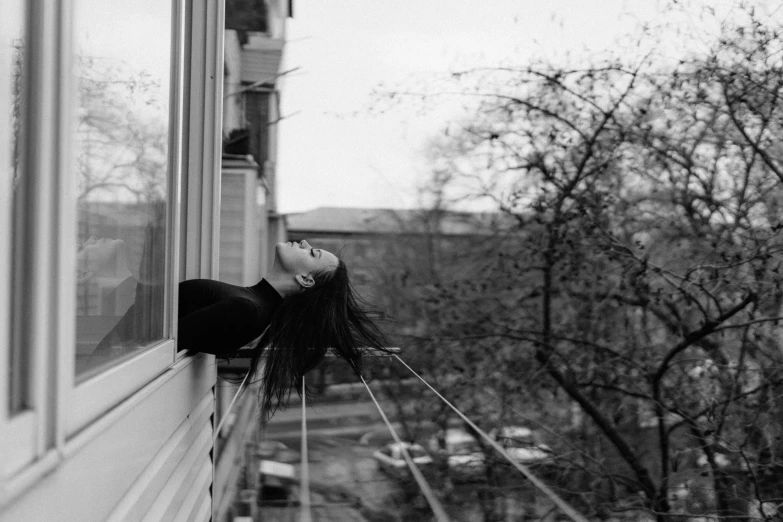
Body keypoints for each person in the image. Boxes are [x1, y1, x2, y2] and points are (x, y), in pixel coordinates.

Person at [178, 239, 388, 418]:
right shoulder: (251, 304)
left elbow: (167, 338)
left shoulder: (247, 311)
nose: (304, 243)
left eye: (312, 253)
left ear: (305, 279)